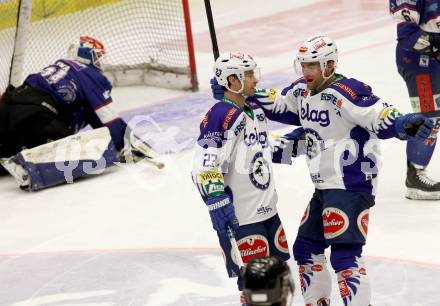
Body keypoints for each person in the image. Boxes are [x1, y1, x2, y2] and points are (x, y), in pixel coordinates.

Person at [211, 35, 433, 306]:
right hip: (325, 188)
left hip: (351, 185)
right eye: (303, 65)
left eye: (312, 66)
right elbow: (277, 104)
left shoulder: (348, 91)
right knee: (305, 249)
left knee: (344, 255)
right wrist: (234, 91)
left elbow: (377, 114)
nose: (306, 72)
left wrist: (402, 123)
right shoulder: (301, 91)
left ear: (329, 64)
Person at [191, 51, 291, 306]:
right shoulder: (221, 115)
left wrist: (299, 144)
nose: (255, 80)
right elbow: (204, 165)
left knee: (278, 281)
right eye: (248, 75)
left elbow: (260, 150)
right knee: (258, 288)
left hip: (268, 212)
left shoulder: (253, 109)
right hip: (243, 218)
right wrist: (217, 204)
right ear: (232, 81)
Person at [0, 36, 153, 190]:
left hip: (8, 105)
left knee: (6, 148)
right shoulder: (89, 74)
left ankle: (9, 156)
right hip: (37, 114)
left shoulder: (61, 66)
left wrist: (128, 140)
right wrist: (126, 145)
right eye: (97, 56)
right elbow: (109, 119)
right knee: (75, 153)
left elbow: (96, 119)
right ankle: (25, 166)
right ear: (86, 55)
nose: (100, 61)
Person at [390, 0, 440, 200]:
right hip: (420, 64)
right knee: (429, 118)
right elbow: (407, 35)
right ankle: (415, 176)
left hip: (432, 61)